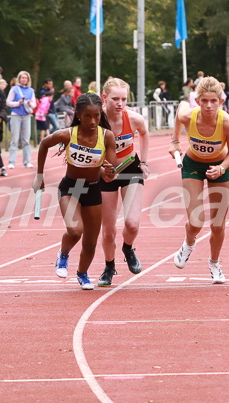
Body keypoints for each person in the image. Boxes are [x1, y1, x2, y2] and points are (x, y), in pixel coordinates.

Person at [33, 93, 116, 290]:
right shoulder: (68, 134)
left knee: (90, 242)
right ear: (78, 115)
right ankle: (63, 254)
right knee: (75, 230)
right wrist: (39, 176)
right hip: (70, 187)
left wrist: (110, 171)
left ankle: (82, 273)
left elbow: (110, 172)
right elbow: (44, 144)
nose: (93, 121)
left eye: (96, 116)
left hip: (93, 190)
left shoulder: (107, 136)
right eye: (87, 116)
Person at [169, 76, 229, 284]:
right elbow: (180, 110)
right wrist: (175, 141)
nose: (209, 105)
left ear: (221, 101)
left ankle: (214, 264)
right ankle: (188, 243)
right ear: (197, 101)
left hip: (218, 168)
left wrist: (221, 168)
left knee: (218, 224)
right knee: (197, 221)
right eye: (204, 100)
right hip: (192, 166)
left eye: (213, 101)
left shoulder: (227, 123)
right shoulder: (189, 116)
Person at [97, 78, 150, 286]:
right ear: (104, 98)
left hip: (130, 168)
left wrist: (144, 162)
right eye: (115, 99)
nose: (120, 103)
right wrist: (100, 169)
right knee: (108, 231)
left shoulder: (134, 119)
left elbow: (145, 134)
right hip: (106, 173)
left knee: (132, 223)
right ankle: (109, 267)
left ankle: (128, 248)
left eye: (124, 99)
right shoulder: (95, 119)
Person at [6, 71, 36, 169]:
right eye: (22, 77)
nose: (24, 79)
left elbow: (34, 104)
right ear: (19, 79)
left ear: (28, 80)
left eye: (26, 78)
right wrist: (17, 103)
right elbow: (8, 102)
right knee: (14, 139)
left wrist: (29, 103)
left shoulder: (31, 90)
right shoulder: (14, 89)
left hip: (26, 115)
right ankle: (11, 162)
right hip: (16, 115)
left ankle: (27, 162)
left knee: (26, 139)